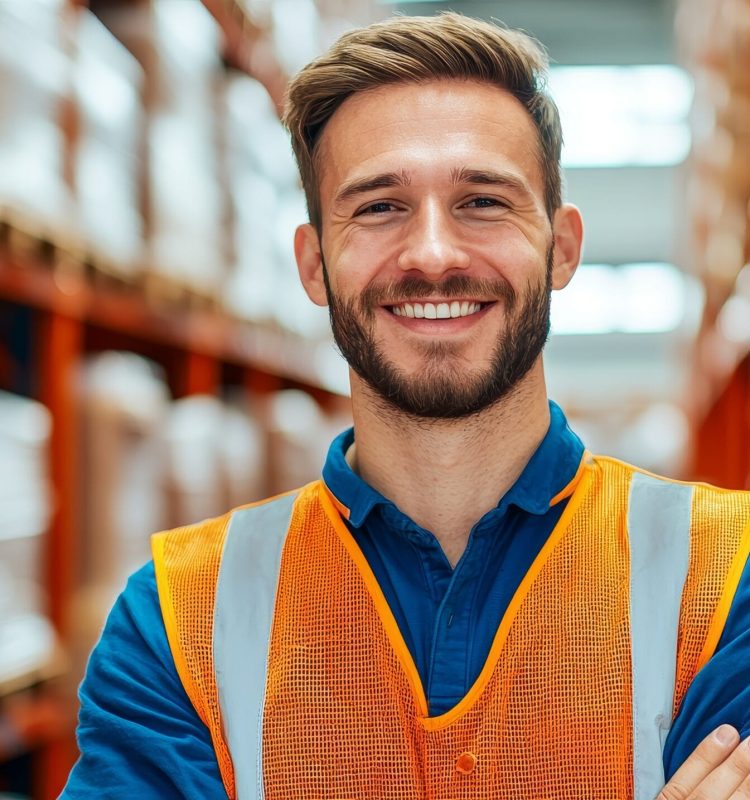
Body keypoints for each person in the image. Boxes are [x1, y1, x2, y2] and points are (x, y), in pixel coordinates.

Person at [62, 12, 750, 800]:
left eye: (484, 201)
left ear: (561, 248)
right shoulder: (178, 622)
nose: (431, 254)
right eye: (381, 206)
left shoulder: (727, 577)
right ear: (314, 263)